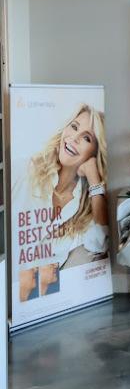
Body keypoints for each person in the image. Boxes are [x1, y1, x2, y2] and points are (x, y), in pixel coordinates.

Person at [13, 104, 109, 270]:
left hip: (48, 285)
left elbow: (99, 244)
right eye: (74, 127)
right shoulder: (25, 170)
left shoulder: (86, 206)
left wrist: (94, 180)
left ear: (95, 154)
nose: (74, 138)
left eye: (87, 138)